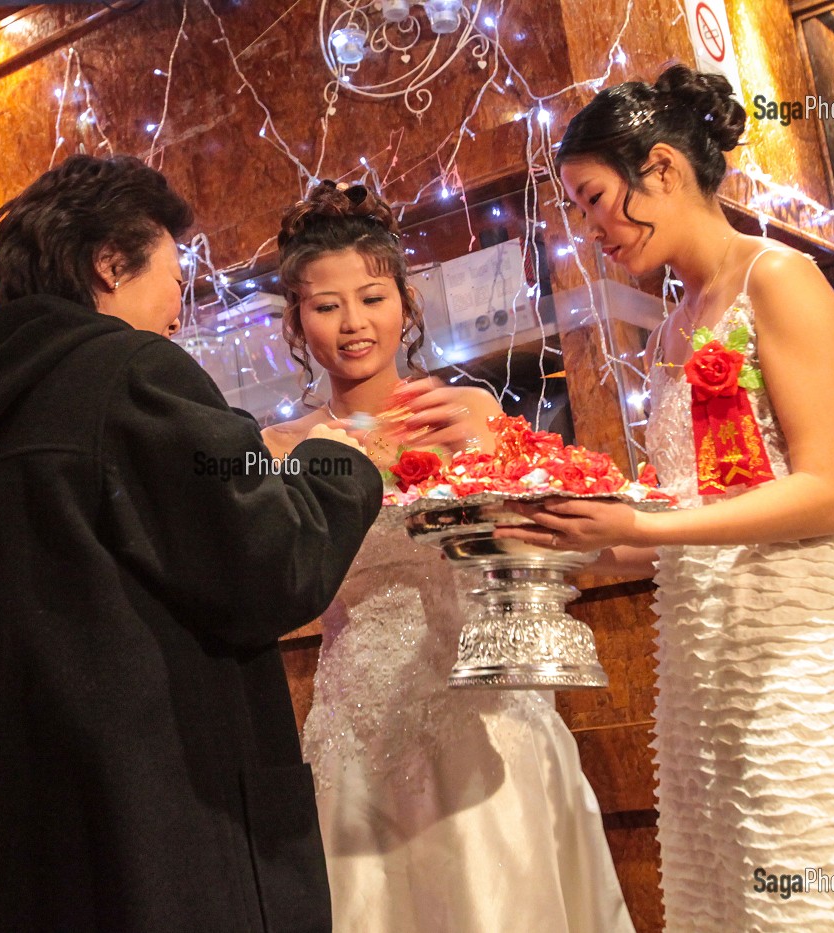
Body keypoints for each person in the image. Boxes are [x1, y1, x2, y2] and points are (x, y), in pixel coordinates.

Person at [495, 64, 834, 928]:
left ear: (665, 169)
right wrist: (577, 538)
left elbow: (829, 493)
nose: (591, 228)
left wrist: (639, 520)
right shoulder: (678, 324)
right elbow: (694, 512)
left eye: (596, 199)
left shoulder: (778, 279)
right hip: (709, 655)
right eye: (578, 208)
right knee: (743, 887)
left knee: (822, 869)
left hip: (803, 647)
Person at [0, 153, 382, 933]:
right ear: (108, 264)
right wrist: (341, 462)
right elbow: (274, 558)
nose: (179, 304)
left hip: (32, 850)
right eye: (173, 273)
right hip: (164, 838)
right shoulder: (130, 374)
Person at [262, 181, 635, 932]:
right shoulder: (280, 448)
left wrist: (479, 445)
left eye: (371, 297)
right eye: (325, 306)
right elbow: (284, 590)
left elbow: (542, 536)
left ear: (405, 301)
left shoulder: (469, 410)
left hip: (487, 699)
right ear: (298, 324)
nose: (352, 323)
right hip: (360, 718)